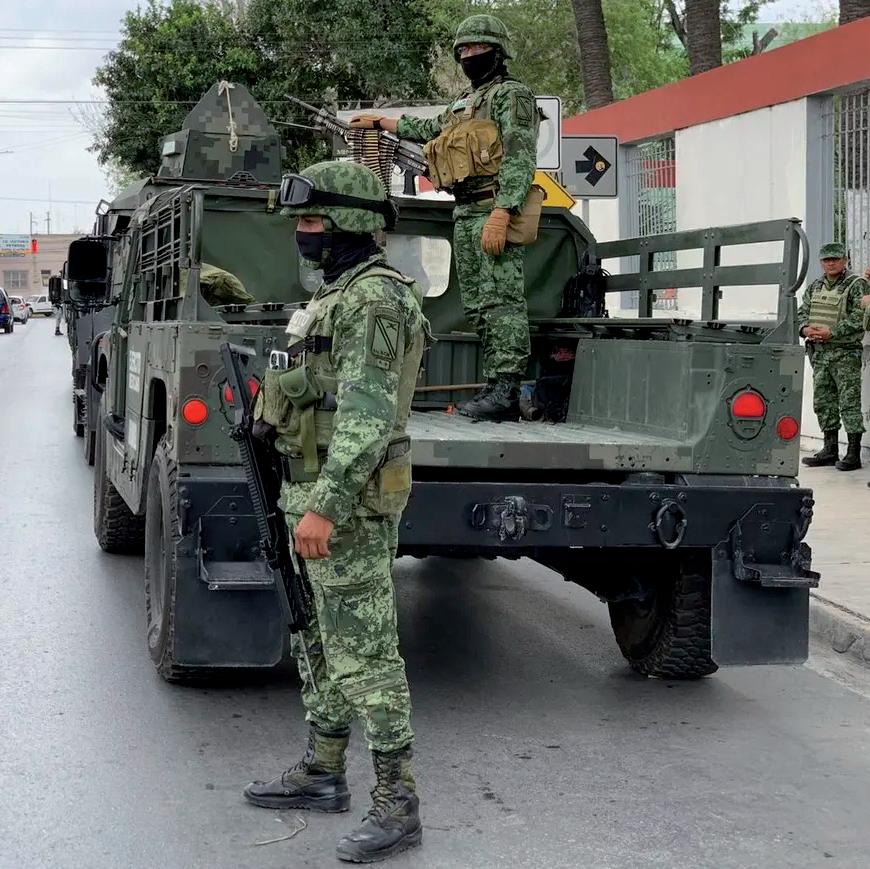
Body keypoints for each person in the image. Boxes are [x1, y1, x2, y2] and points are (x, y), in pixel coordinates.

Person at [243, 161, 428, 864]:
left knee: (366, 655)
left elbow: (367, 419)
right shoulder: (334, 294)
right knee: (316, 638)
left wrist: (323, 507)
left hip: (345, 506)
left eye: (313, 219)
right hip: (309, 495)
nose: (302, 232)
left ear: (351, 220)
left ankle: (398, 803)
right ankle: (323, 770)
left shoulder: (375, 299)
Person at [351, 14, 540, 421]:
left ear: (498, 51)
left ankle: (507, 390)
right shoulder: (466, 103)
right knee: (477, 305)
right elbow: (431, 127)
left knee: (502, 302)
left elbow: (520, 156)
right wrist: (383, 122)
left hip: (493, 208)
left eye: (478, 47)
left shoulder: (512, 96)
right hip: (466, 211)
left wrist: (504, 211)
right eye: (464, 49)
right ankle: (494, 385)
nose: (470, 55)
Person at [798, 242, 867, 471]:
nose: (831, 263)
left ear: (844, 260)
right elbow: (802, 312)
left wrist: (833, 332)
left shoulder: (856, 285)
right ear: (821, 262)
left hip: (845, 354)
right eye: (826, 260)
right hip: (820, 353)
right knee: (823, 402)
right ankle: (830, 450)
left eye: (835, 259)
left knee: (849, 403)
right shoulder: (815, 286)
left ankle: (853, 454)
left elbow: (860, 318)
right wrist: (805, 329)